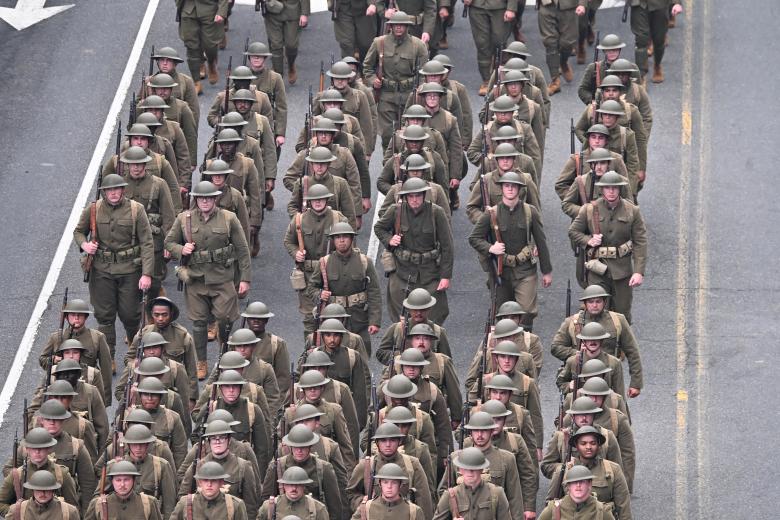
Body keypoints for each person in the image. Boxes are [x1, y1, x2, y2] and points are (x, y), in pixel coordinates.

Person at [165, 181, 252, 378]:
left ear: (215, 199)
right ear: (196, 199)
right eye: (201, 198)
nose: (205, 201)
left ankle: (225, 356)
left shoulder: (229, 218)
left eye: (209, 198)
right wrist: (181, 249)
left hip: (222, 278)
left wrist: (245, 279)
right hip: (195, 280)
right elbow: (169, 242)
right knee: (198, 323)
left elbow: (242, 249)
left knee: (225, 320)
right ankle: (201, 362)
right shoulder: (184, 219)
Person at [73, 173, 154, 368]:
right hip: (102, 270)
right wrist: (85, 245)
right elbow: (78, 232)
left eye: (117, 189)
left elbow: (147, 242)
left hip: (129, 269)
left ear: (123, 190)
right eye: (109, 190)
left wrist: (146, 274)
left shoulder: (136, 210)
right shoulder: (94, 209)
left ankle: (134, 352)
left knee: (130, 315)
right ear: (104, 192)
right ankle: (109, 357)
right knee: (105, 316)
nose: (113, 193)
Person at [468, 172, 552, 330]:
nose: (510, 189)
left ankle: (525, 340)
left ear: (519, 189)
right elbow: (474, 238)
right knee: (502, 313)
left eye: (514, 186)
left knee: (527, 311)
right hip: (501, 271)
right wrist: (491, 248)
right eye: (507, 185)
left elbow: (541, 241)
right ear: (501, 188)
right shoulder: (491, 213)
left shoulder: (530, 212)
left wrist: (546, 271)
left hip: (525, 269)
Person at [568, 171, 648, 323]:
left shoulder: (632, 211)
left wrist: (638, 272)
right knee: (596, 312)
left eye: (615, 188)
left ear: (620, 189)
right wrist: (588, 240)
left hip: (622, 270)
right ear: (602, 189)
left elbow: (640, 241)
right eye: (607, 188)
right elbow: (573, 231)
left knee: (622, 315)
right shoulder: (589, 209)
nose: (611, 191)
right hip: (597, 269)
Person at [374, 177, 454, 324]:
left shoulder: (436, 212)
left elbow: (447, 246)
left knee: (434, 316)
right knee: (401, 320)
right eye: (410, 196)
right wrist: (389, 240)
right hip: (402, 272)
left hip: (429, 273)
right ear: (405, 197)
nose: (414, 199)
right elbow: (379, 228)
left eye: (418, 195)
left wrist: (445, 276)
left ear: (424, 195)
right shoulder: (396, 211)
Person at [283, 184, 349, 337]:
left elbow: (348, 244)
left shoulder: (338, 219)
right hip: (307, 275)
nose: (318, 202)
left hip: (332, 274)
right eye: (314, 199)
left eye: (321, 199)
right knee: (309, 318)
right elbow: (288, 241)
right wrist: (296, 253)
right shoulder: (299, 220)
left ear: (326, 200)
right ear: (309, 201)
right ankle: (310, 347)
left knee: (333, 316)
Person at [307, 222, 382, 350]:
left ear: (351, 239)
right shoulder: (324, 263)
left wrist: (374, 321)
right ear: (333, 240)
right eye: (337, 237)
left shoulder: (364, 261)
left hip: (358, 318)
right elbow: (311, 287)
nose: (341, 240)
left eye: (345, 237)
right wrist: (319, 294)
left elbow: (374, 292)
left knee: (362, 352)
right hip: (333, 319)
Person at [363, 11, 429, 148]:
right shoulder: (379, 43)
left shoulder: (418, 45)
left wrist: (421, 90)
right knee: (387, 134)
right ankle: (388, 158)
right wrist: (373, 80)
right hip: (386, 94)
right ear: (391, 26)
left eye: (402, 25)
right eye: (395, 25)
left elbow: (424, 73)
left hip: (410, 94)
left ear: (407, 26)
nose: (398, 27)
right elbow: (367, 66)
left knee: (410, 132)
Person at [346, 423, 433, 519]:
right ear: (377, 443)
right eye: (383, 440)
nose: (388, 444)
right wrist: (363, 503)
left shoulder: (412, 464)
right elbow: (351, 493)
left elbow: (424, 499)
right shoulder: (366, 465)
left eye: (392, 440)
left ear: (399, 441)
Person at [179, 420, 260, 517]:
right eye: (213, 438)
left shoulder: (243, 466)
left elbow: (250, 507)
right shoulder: (198, 466)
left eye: (222, 437)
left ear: (229, 440)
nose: (217, 442)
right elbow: (184, 497)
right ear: (209, 441)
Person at [546, 427, 632, 519]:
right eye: (583, 443)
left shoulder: (613, 470)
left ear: (599, 445)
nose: (588, 447)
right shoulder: (563, 470)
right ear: (576, 446)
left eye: (593, 443)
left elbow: (623, 506)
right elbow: (552, 504)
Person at [259, 425, 343, 519]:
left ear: (310, 446)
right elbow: (267, 500)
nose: (299, 450)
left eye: (303, 447)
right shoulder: (278, 466)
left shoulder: (323, 468)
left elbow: (335, 508)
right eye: (296, 447)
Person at [127, 296, 199, 403]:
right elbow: (129, 357)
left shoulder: (182, 336)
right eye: (156, 315)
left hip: (172, 387)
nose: (160, 318)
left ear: (171, 314)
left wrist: (192, 398)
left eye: (164, 315)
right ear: (152, 315)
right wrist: (137, 366)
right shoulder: (143, 334)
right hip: (146, 388)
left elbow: (191, 368)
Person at [98, 424, 177, 518]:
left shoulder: (161, 466)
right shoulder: (114, 466)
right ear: (128, 444)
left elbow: (169, 504)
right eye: (134, 444)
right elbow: (99, 497)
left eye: (142, 444)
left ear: (147, 444)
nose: (138, 448)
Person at [0, 429, 79, 515]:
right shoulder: (17, 475)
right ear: (27, 449)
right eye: (33, 448)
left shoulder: (61, 474)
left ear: (48, 449)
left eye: (41, 448)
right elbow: (1, 503)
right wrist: (19, 513)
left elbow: (72, 508)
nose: (37, 452)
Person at [433, 447, 510, 520]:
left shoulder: (497, 493)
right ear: (460, 470)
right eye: (466, 468)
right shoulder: (450, 495)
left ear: (481, 469)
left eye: (474, 468)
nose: (470, 472)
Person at [241, 301, 292, 402]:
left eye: (260, 318)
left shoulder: (277, 344)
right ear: (247, 320)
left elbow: (283, 379)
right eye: (252, 318)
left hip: (265, 399)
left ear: (266, 320)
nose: (256, 321)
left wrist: (276, 404)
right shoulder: (236, 342)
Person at [464, 0, 516, 95]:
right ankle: (487, 80)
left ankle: (500, 74)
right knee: (482, 43)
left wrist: (511, 8)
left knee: (499, 41)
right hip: (477, 6)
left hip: (500, 6)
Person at [174, 0, 229, 87]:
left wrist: (221, 12)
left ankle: (211, 63)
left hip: (209, 10)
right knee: (191, 46)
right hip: (188, 10)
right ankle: (196, 82)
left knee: (210, 45)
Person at [537, 0, 586, 95]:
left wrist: (582, 4)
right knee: (549, 42)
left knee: (568, 43)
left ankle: (563, 61)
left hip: (569, 6)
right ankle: (555, 80)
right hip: (546, 5)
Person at [171, 461, 249, 520]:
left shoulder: (235, 505)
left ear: (221, 482)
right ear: (200, 482)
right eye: (205, 480)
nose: (209, 484)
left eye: (214, 480)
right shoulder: (185, 503)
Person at [629, 0, 683, 83]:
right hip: (638, 4)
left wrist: (676, 3)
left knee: (659, 40)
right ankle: (640, 75)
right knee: (641, 40)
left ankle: (657, 65)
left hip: (660, 5)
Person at [538, 465, 615, 520]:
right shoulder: (554, 508)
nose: (578, 485)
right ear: (568, 486)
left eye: (582, 481)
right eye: (574, 482)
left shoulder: (602, 510)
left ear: (589, 484)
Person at [352, 463, 425, 520]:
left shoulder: (414, 511)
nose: (389, 486)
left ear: (400, 485)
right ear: (380, 484)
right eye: (385, 482)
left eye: (394, 482)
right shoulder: (366, 508)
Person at [258, 466, 330, 520]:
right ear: (284, 485)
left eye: (298, 485)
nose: (294, 488)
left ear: (304, 486)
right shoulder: (269, 507)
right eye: (290, 485)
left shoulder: (318, 509)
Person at [4, 470, 80, 520]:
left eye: (47, 490)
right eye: (39, 490)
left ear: (53, 490)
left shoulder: (69, 512)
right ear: (33, 490)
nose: (43, 493)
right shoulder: (16, 510)